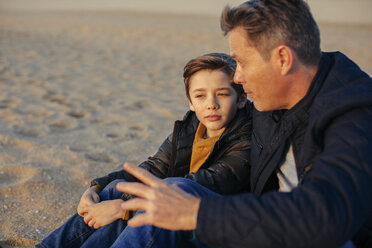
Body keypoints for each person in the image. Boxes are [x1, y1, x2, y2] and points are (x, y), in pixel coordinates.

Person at [112, 0, 372, 247]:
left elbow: (325, 217)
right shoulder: (268, 99)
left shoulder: (356, 114)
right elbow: (208, 123)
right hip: (255, 230)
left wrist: (197, 213)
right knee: (141, 193)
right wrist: (104, 188)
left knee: (177, 197)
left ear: (283, 59)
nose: (237, 77)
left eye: (243, 63)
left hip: (317, 238)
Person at [36, 52, 252, 248]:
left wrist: (123, 208)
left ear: (241, 98)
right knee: (114, 189)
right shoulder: (191, 128)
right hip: (176, 210)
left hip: (212, 224)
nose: (211, 104)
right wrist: (95, 188)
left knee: (157, 195)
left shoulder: (247, 140)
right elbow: (153, 168)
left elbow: (188, 189)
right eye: (200, 96)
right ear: (191, 103)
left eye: (222, 94)